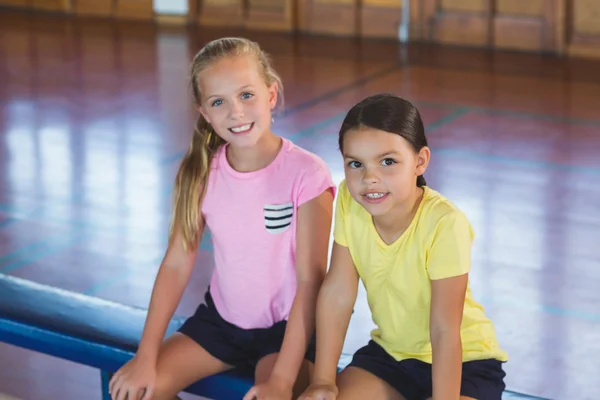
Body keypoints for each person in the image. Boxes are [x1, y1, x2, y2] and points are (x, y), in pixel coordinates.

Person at [108, 37, 336, 400]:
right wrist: (146, 355)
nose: (236, 112)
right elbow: (176, 265)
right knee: (139, 393)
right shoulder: (200, 172)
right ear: (204, 112)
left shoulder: (306, 174)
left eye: (247, 95)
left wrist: (280, 380)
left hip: (288, 331)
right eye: (219, 102)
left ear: (271, 94)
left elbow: (311, 281)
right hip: (221, 323)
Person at [299, 93, 508, 400]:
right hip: (391, 356)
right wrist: (323, 380)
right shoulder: (348, 198)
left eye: (388, 162)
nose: (370, 178)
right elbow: (338, 293)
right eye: (355, 164)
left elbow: (444, 330)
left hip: (465, 363)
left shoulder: (444, 223)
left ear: (419, 161)